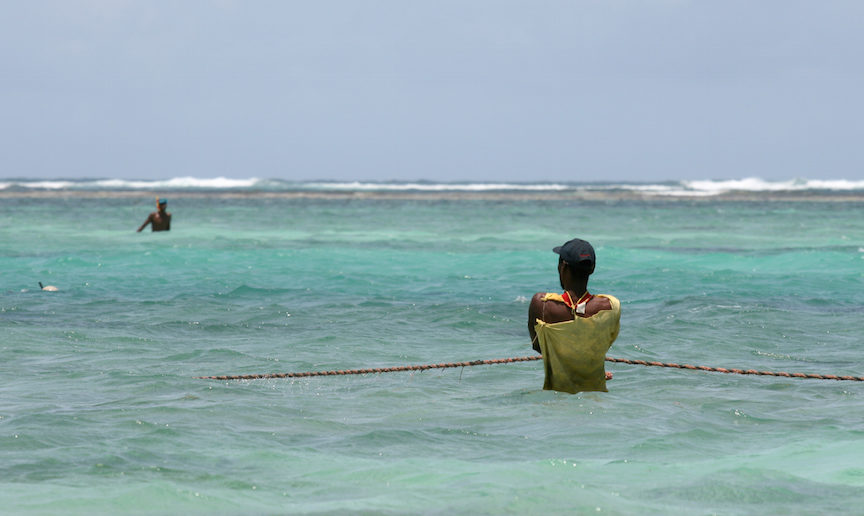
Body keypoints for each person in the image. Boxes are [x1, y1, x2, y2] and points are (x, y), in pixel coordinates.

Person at [528, 238, 621, 393]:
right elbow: (603, 344)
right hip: (596, 398)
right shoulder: (611, 306)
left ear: (563, 267)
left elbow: (539, 346)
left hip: (556, 400)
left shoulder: (541, 304)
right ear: (592, 268)